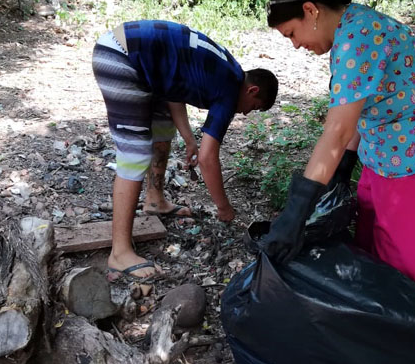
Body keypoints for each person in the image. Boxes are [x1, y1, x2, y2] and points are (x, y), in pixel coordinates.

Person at [260, 0, 415, 286]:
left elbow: (337, 131)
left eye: (292, 33)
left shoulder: (358, 37)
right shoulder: (352, 27)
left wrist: (296, 213)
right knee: (368, 255)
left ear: (310, 11)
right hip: (387, 155)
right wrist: (344, 167)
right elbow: (360, 109)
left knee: (396, 273)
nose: (296, 45)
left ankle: (393, 333)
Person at [93, 20, 278, 279]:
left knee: (162, 129)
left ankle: (155, 200)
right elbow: (208, 159)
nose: (246, 112)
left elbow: (174, 90)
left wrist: (189, 139)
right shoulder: (229, 89)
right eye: (252, 107)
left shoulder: (225, 70)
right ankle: (119, 253)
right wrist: (224, 208)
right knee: (134, 154)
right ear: (252, 90)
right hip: (121, 57)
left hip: (137, 59)